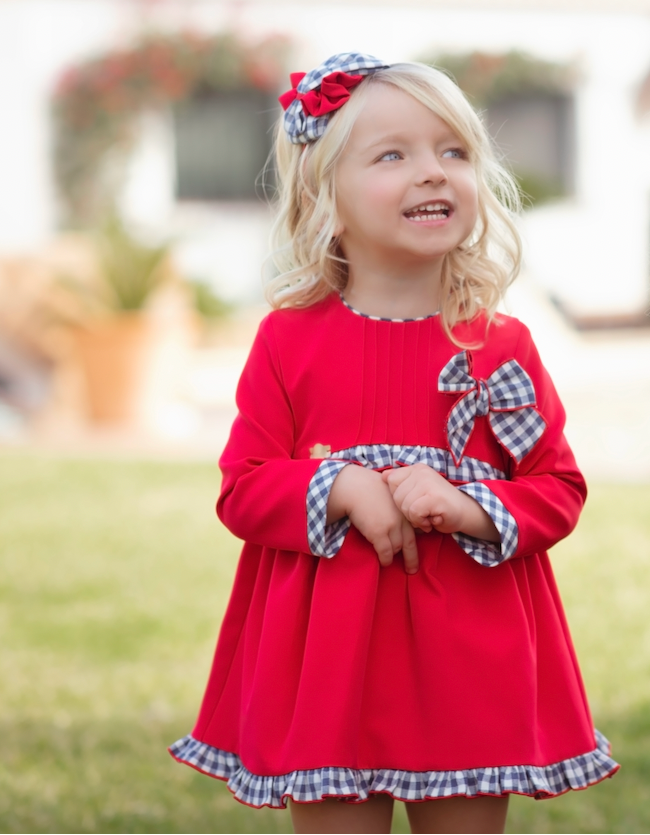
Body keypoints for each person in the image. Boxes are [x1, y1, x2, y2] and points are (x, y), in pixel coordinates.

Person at [169, 52, 619, 834]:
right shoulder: (287, 341)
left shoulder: (499, 349)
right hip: (329, 672)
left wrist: (467, 504)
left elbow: (557, 486)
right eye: (393, 154)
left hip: (469, 662)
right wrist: (340, 487)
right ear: (328, 202)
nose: (433, 173)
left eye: (454, 151)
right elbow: (243, 485)